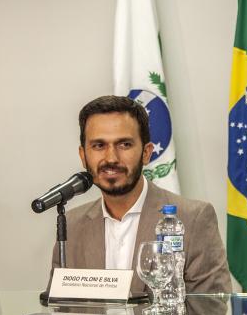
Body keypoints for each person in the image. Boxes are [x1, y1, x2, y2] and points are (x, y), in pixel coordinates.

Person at [48, 95, 231, 294]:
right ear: (83, 156)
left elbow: (209, 311)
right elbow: (60, 309)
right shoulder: (72, 225)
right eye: (99, 146)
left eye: (124, 144)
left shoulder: (193, 218)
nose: (111, 158)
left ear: (146, 153)